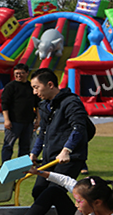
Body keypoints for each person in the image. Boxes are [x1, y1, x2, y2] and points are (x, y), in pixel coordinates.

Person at [29, 68, 95, 200]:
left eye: (36, 87)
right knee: (38, 191)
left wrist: (66, 150)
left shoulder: (71, 102)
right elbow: (42, 132)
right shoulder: (44, 106)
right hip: (50, 157)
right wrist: (34, 153)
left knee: (52, 192)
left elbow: (79, 128)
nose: (34, 92)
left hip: (69, 158)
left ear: (50, 85)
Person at [1, 64, 41, 164]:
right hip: (14, 121)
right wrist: (7, 120)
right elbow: (4, 105)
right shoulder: (10, 87)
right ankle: (5, 164)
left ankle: (22, 167)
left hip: (28, 122)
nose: (19, 75)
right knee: (8, 145)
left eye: (22, 73)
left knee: (25, 146)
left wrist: (38, 119)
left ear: (27, 73)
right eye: (17, 73)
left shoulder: (31, 87)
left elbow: (38, 104)